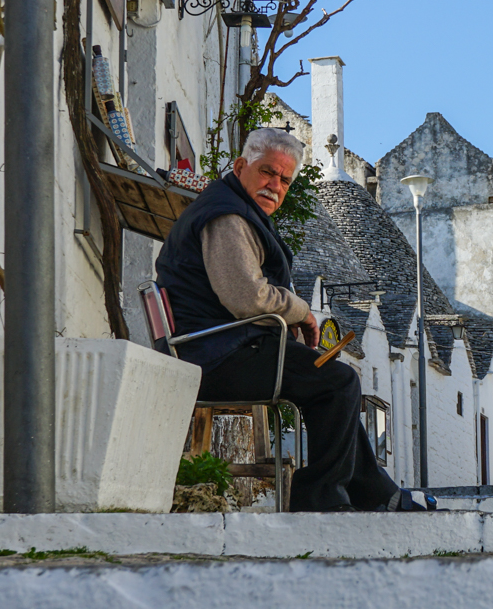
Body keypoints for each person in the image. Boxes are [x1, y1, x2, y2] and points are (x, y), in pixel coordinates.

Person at [156, 127, 430, 512]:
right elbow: (246, 298)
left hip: (220, 347)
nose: (275, 185)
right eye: (267, 172)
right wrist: (300, 311)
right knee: (337, 382)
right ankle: (321, 495)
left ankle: (374, 492)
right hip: (217, 356)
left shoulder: (233, 207)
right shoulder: (226, 217)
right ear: (240, 166)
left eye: (284, 179)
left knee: (332, 377)